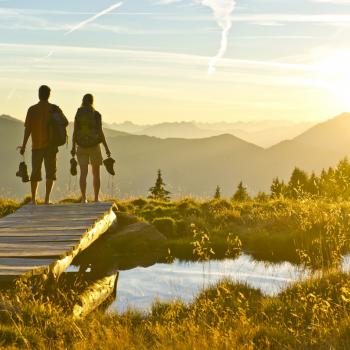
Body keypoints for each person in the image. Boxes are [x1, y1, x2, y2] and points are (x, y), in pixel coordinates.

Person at [19, 85, 67, 205]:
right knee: (50, 173)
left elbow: (28, 129)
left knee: (35, 173)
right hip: (51, 146)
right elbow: (65, 122)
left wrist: (24, 145)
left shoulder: (32, 110)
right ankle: (46, 199)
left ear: (39, 94)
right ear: (49, 95)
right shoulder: (54, 109)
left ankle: (34, 200)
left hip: (36, 146)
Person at [71, 94, 111, 203]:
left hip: (81, 147)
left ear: (83, 101)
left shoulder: (78, 114)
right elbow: (100, 132)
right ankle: (96, 198)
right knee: (96, 173)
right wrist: (106, 148)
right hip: (94, 146)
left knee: (83, 174)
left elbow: (75, 132)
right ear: (92, 101)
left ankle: (84, 198)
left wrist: (73, 147)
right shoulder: (96, 114)